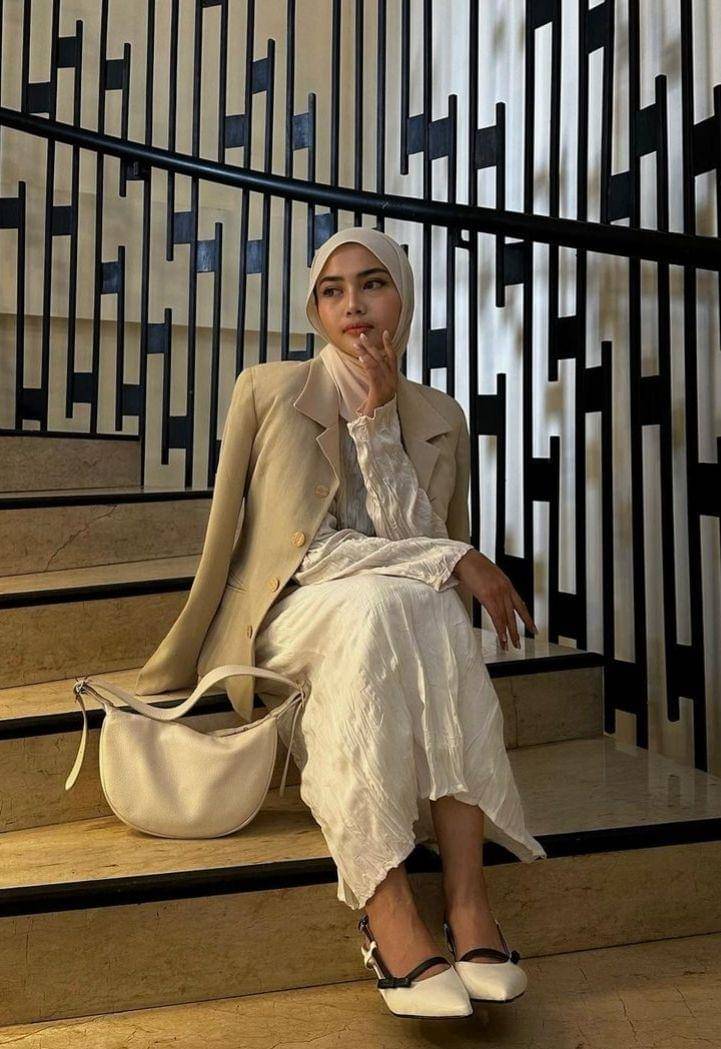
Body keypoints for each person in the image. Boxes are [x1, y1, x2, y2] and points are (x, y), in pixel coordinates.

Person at [247, 226, 548, 1018]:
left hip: (387, 618)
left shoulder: (439, 413)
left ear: (402, 298)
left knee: (412, 600)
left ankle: (467, 899)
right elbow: (303, 552)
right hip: (294, 609)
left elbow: (418, 554)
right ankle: (386, 905)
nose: (353, 304)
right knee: (395, 596)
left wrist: (381, 417)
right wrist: (453, 556)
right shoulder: (273, 391)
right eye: (332, 290)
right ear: (315, 310)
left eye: (371, 283)